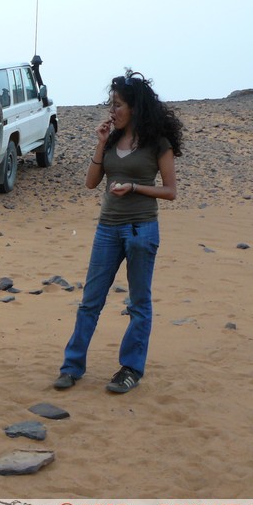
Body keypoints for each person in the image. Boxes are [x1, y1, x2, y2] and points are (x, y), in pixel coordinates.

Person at [53, 71, 183, 393]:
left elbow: (170, 191)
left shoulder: (158, 144)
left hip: (142, 231)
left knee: (139, 304)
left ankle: (131, 369)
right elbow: (90, 183)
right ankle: (72, 366)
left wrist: (135, 187)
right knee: (90, 301)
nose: (113, 111)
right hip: (107, 230)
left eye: (119, 105)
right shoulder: (110, 139)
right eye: (111, 104)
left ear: (136, 107)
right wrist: (99, 144)